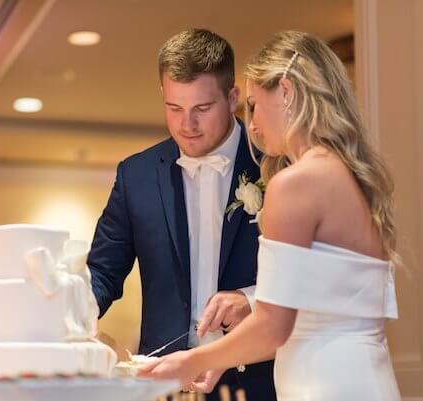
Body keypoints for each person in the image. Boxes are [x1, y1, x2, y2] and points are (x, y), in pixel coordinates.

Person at [139, 30, 402, 401]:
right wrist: (222, 359)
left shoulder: (296, 183)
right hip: (366, 380)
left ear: (287, 91)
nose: (254, 125)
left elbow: (273, 326)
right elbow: (305, 322)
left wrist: (188, 361)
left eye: (253, 105)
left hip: (322, 387)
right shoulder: (353, 176)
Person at [87, 29, 276, 401]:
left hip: (259, 381)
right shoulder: (136, 175)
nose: (186, 125)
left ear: (233, 97)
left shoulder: (273, 164)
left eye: (202, 109)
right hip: (167, 384)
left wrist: (252, 298)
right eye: (174, 108)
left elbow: (309, 278)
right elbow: (102, 272)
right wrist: (68, 317)